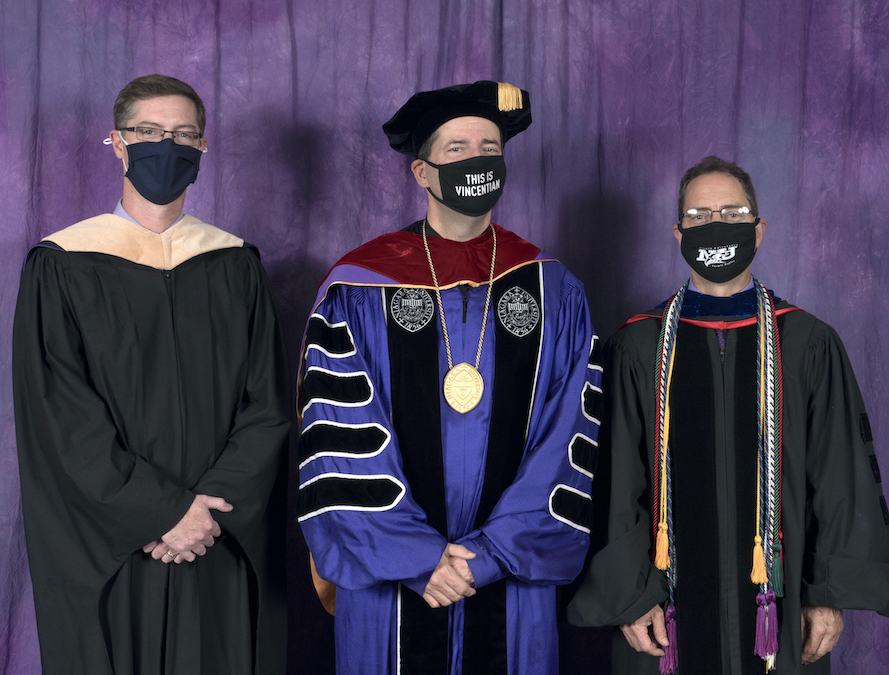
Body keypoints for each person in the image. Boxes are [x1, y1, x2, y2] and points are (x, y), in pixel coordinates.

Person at [296, 81, 603, 674]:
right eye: (457, 149)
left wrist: (490, 557)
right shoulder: (358, 287)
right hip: (392, 578)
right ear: (422, 172)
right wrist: (416, 556)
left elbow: (569, 435)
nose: (477, 160)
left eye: (490, 147)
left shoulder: (553, 289)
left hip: (510, 573)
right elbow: (338, 434)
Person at [567, 156, 889, 674]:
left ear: (758, 230)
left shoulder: (806, 342)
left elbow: (842, 477)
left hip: (782, 608)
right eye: (698, 216)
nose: (715, 224)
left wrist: (827, 594)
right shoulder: (638, 347)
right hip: (661, 613)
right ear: (678, 234)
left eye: (732, 213)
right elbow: (613, 482)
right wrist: (630, 597)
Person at [12, 74, 291, 674]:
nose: (168, 145)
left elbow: (267, 404)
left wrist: (207, 514)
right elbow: (60, 414)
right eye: (149, 132)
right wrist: (159, 512)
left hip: (216, 535)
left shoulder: (234, 263)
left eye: (184, 134)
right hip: (114, 538)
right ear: (118, 143)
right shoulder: (63, 264)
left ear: (203, 146)